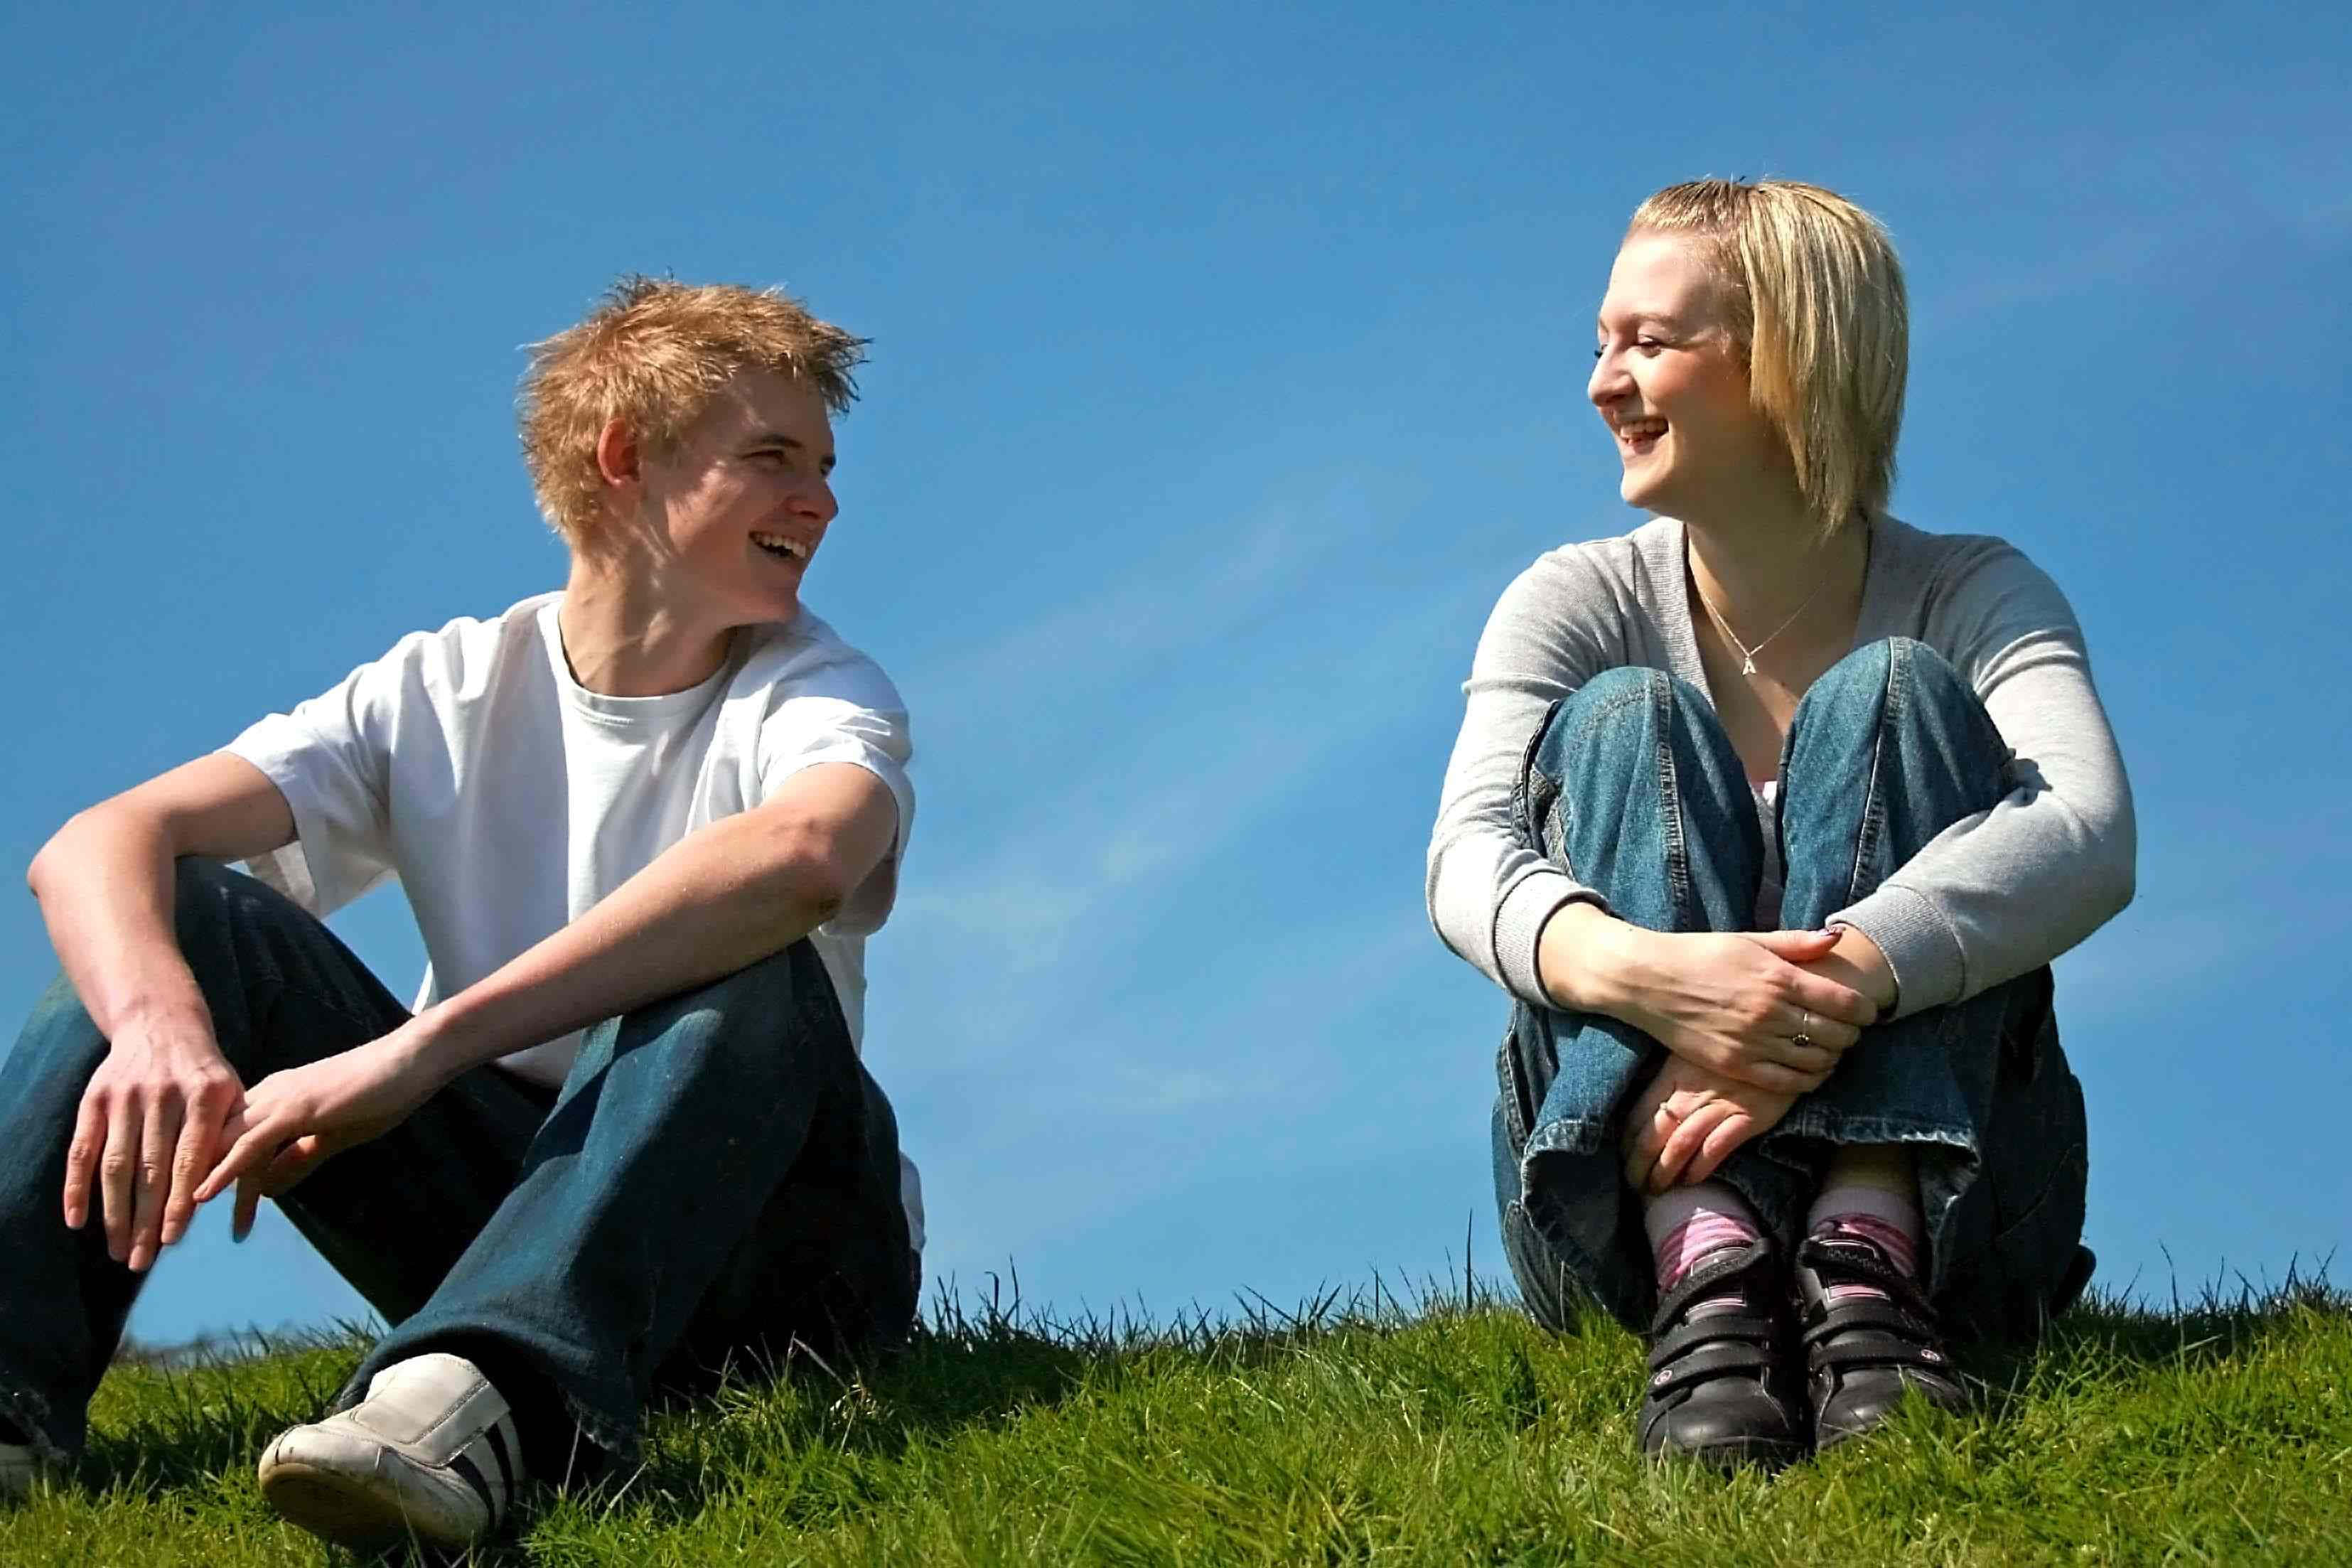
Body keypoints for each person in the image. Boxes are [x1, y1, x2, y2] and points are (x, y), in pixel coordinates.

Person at [0, 278, 925, 1549]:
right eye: (773, 459)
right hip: (500, 1207)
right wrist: (163, 1030)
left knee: (752, 963)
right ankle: (8, 1403)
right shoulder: (441, 686)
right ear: (623, 457)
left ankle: (467, 1407)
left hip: (775, 1265)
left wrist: (420, 1048)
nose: (819, 500)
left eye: (823, 465)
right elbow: (95, 841)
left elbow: (812, 852)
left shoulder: (819, 689)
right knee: (189, 914)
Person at [1427, 179, 2135, 1471]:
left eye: (1649, 342)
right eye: (1600, 342)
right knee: (1623, 717)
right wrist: (1663, 980)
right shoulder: (1574, 598)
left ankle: (1868, 1251)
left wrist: (1824, 993)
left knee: (1892, 696)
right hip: (1616, 1209)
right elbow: (1465, 855)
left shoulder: (1970, 591)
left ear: (1791, 361)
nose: (1603, 383)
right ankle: (1706, 1260)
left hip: (1966, 1214)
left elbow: (2087, 828)